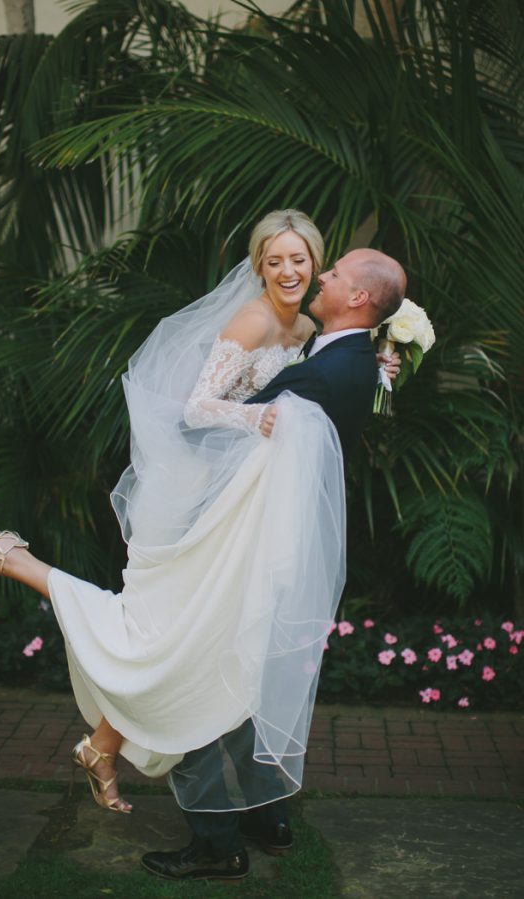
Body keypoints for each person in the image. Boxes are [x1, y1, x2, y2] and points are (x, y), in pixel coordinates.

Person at [0, 210, 401, 828]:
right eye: (275, 261)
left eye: (302, 260)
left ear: (320, 268)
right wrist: (253, 419)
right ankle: (10, 558)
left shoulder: (310, 328)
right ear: (258, 266)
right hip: (195, 496)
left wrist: (380, 368)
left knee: (185, 642)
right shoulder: (254, 319)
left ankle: (101, 748)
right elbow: (194, 410)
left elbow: (334, 364)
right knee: (157, 637)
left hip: (246, 507)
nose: (289, 271)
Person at [141, 245, 406, 882]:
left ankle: (216, 844)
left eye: (332, 272)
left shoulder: (333, 370)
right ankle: (267, 816)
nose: (318, 276)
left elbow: (236, 418)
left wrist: (236, 416)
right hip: (282, 536)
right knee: (252, 675)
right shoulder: (345, 354)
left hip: (253, 537)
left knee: (204, 675)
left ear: (358, 300)